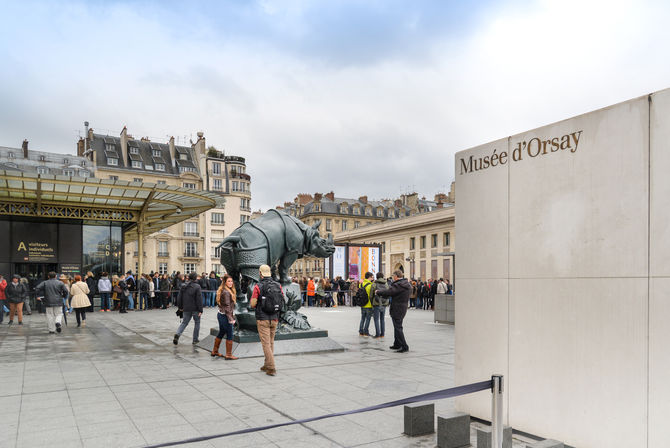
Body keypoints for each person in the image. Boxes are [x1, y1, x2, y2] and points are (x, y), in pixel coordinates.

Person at [250, 264, 282, 376]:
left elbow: (253, 303)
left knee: (265, 344)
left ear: (260, 273)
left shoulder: (258, 286)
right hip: (274, 318)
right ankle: (266, 364)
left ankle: (271, 368)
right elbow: (282, 299)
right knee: (271, 342)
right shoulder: (278, 285)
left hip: (262, 318)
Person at [375, 270, 411, 353]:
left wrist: (378, 292)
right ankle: (397, 344)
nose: (392, 278)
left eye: (393, 276)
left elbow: (389, 292)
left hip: (397, 308)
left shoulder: (399, 285)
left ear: (396, 276)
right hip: (402, 307)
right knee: (397, 326)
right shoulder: (406, 284)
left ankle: (404, 346)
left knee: (398, 327)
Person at [173, 272, 203, 345]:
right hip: (195, 308)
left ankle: (178, 334)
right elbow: (199, 299)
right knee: (197, 323)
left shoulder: (183, 286)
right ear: (195, 278)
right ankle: (195, 339)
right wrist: (200, 310)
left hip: (186, 308)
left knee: (184, 322)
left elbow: (179, 298)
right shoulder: (197, 286)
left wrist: (180, 307)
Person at [212, 274, 238, 359]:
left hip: (221, 314)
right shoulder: (226, 292)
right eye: (228, 281)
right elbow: (227, 306)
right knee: (230, 334)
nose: (230, 283)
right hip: (225, 316)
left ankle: (215, 351)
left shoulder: (224, 290)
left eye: (231, 281)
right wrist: (231, 319)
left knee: (222, 332)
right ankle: (229, 354)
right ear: (225, 282)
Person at [371, 272, 389, 339]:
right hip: (384, 303)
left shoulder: (374, 284)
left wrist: (372, 301)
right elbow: (388, 293)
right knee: (382, 319)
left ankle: (377, 335)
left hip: (376, 303)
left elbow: (371, 294)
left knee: (376, 319)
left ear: (377, 277)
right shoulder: (386, 283)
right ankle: (382, 334)